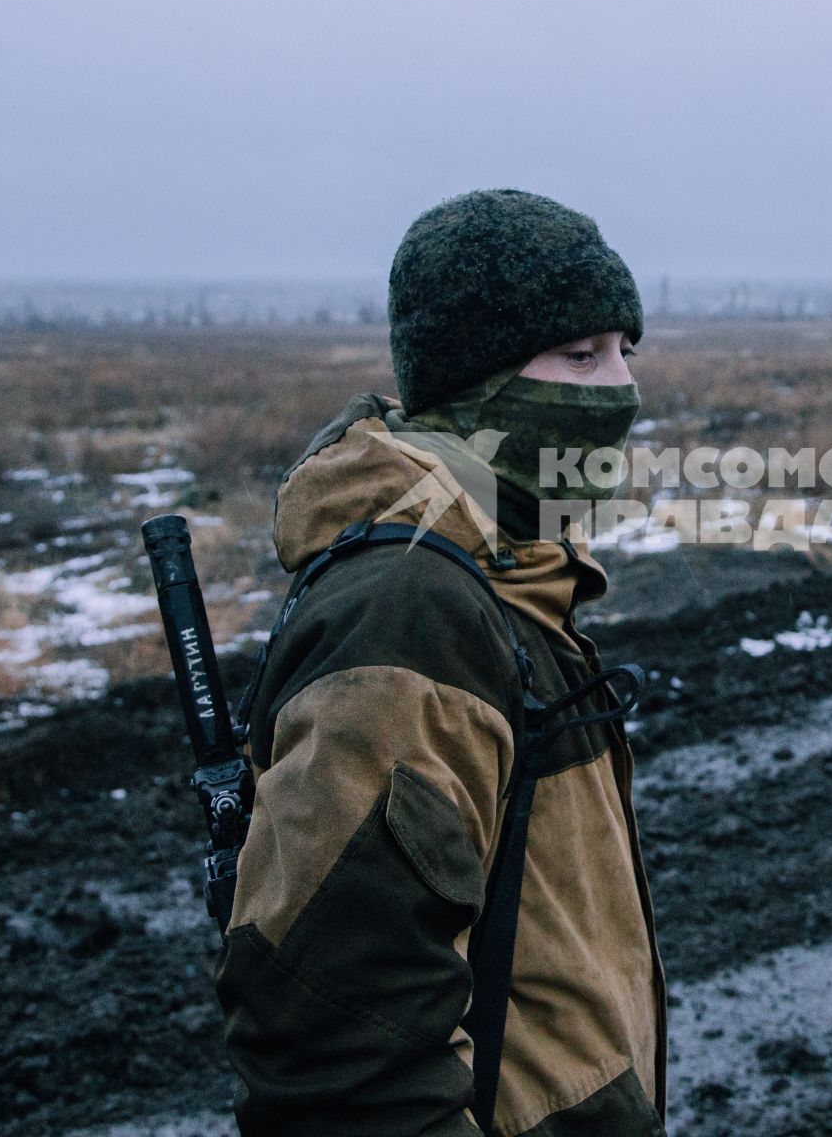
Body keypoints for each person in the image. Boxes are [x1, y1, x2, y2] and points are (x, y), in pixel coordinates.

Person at [214, 190, 666, 1136]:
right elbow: (340, 1043)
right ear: (475, 381)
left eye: (628, 350)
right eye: (580, 355)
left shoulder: (514, 573)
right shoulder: (411, 611)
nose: (623, 390)